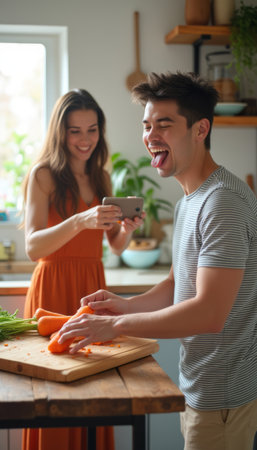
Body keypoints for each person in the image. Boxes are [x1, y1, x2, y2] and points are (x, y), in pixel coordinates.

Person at [58, 73, 257, 450]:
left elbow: (209, 313)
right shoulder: (189, 201)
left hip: (223, 398)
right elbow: (175, 285)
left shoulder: (224, 202)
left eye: (164, 125)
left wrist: (116, 326)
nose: (151, 135)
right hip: (198, 388)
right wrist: (124, 304)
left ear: (201, 129)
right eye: (147, 126)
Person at [22, 88, 144, 450]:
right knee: (53, 397)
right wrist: (79, 220)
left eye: (92, 130)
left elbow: (113, 247)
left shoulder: (101, 178)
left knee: (95, 393)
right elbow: (32, 247)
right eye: (75, 130)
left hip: (91, 289)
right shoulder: (43, 175)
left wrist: (126, 229)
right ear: (60, 132)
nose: (85, 139)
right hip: (53, 289)